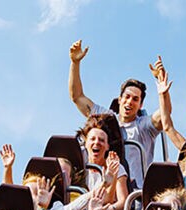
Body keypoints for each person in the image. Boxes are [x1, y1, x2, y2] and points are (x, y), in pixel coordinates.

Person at [68, 40, 171, 189]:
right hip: (102, 188)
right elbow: (77, 97)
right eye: (127, 97)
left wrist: (163, 92)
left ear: (141, 105)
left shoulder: (143, 126)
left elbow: (165, 114)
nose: (130, 102)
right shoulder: (106, 119)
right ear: (120, 99)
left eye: (135, 99)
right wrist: (75, 63)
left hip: (134, 193)